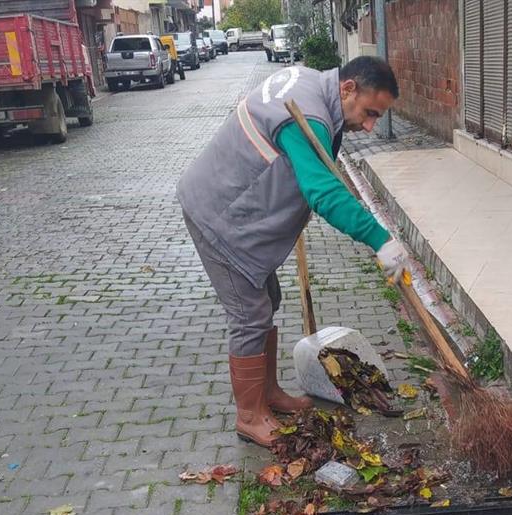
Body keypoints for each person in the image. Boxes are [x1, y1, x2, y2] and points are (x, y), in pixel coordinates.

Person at [176, 56, 411, 446]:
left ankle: (267, 395)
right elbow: (322, 192)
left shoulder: (312, 86)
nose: (369, 126)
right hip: (220, 218)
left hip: (238, 209)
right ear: (348, 88)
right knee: (250, 314)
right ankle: (250, 416)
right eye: (370, 114)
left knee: (269, 298)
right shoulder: (307, 114)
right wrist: (379, 239)